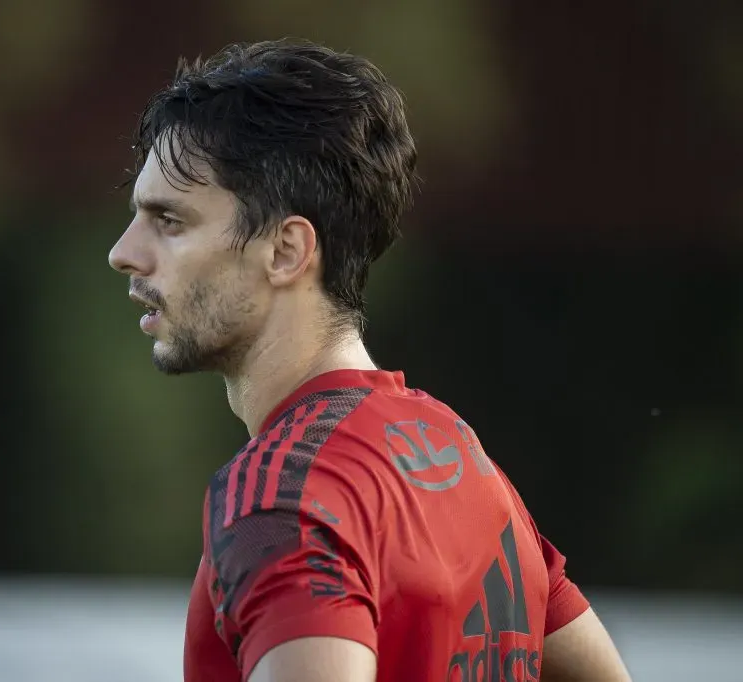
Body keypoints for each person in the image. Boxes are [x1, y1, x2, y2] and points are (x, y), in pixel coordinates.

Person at [108, 38, 633, 682]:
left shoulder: (279, 496)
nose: (124, 252)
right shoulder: (456, 454)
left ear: (285, 251)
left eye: (169, 220)